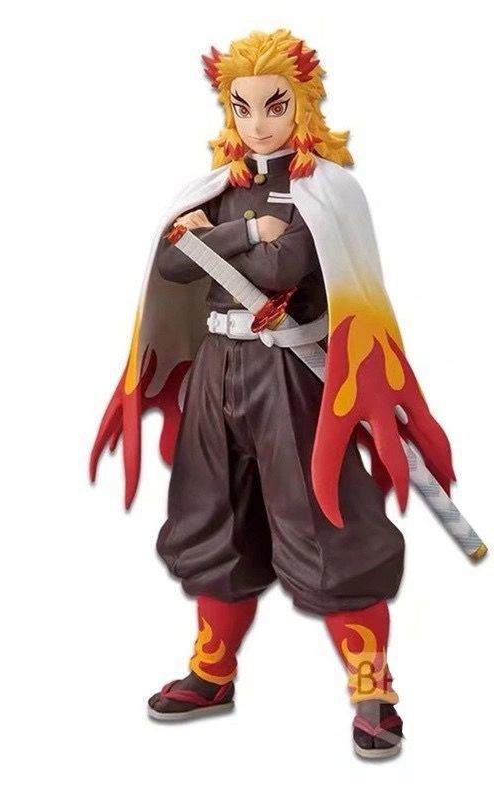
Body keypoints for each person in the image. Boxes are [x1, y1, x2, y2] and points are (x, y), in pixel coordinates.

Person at [90, 29, 455, 760]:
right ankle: (212, 670)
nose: (258, 123)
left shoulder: (327, 189)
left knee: (325, 516)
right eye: (243, 106)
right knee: (209, 513)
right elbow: (171, 259)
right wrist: (243, 232)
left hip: (291, 371)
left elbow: (283, 267)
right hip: (218, 368)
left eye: (274, 105)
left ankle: (372, 687)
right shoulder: (219, 187)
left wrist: (215, 239)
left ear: (303, 103)